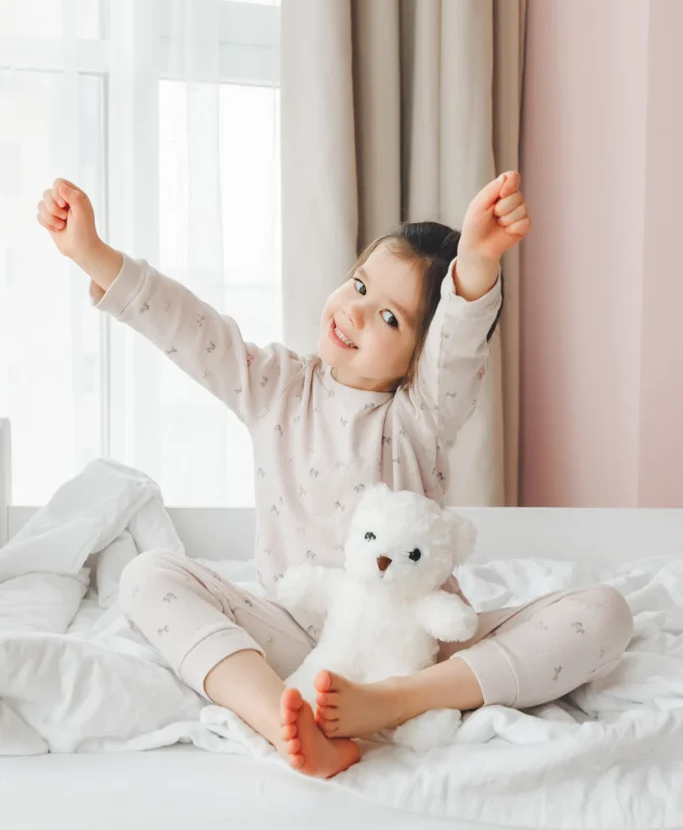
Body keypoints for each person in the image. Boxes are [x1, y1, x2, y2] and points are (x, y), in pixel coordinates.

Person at [37, 173, 633, 777]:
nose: (355, 312)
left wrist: (477, 262)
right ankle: (281, 720)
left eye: (390, 319)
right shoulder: (275, 386)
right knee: (145, 575)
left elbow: (456, 349)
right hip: (297, 636)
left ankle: (397, 702)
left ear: (420, 357)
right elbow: (192, 330)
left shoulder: (419, 419)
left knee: (607, 612)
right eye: (359, 285)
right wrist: (93, 253)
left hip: (417, 647)